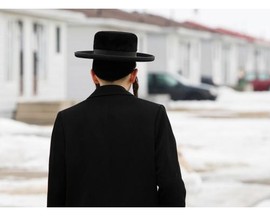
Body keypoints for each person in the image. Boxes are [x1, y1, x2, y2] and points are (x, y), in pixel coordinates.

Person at [47, 31, 186, 207]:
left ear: (93, 75)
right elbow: (171, 187)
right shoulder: (154, 115)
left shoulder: (66, 120)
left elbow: (56, 191)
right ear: (134, 75)